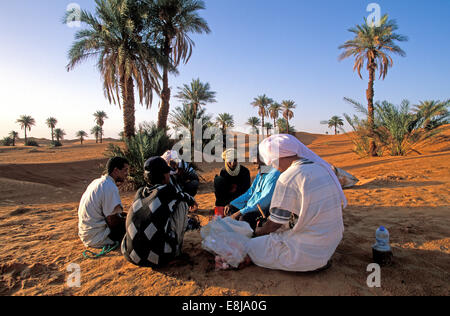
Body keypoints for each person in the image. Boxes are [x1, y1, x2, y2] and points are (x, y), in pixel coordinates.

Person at [245, 134, 346, 272]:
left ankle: (309, 264)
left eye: (271, 162)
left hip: (307, 252)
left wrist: (258, 232)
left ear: (277, 158)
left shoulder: (288, 177)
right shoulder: (321, 167)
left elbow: (274, 224)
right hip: (330, 244)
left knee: (250, 246)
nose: (272, 166)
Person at [121, 157, 198, 268]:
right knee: (182, 204)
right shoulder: (168, 190)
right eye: (167, 172)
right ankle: (175, 252)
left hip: (130, 255)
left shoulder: (139, 192)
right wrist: (192, 201)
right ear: (163, 176)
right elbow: (186, 197)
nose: (169, 175)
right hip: (157, 258)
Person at [78, 157, 129, 249]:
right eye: (125, 170)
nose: (127, 174)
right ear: (116, 170)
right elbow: (113, 222)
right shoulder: (109, 186)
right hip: (98, 237)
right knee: (136, 229)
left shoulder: (97, 182)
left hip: (87, 235)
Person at [224, 149, 281, 230]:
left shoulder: (274, 174)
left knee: (243, 219)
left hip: (262, 211)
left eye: (254, 157)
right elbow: (250, 193)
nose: (253, 162)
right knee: (231, 209)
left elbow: (264, 201)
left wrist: (241, 212)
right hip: (251, 206)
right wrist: (232, 204)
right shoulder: (261, 172)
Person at [214, 149, 251, 215]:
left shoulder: (244, 171)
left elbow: (246, 191)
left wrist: (233, 203)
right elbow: (222, 192)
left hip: (241, 198)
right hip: (228, 199)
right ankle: (220, 209)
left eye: (235, 160)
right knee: (218, 180)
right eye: (229, 161)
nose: (233, 163)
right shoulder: (223, 172)